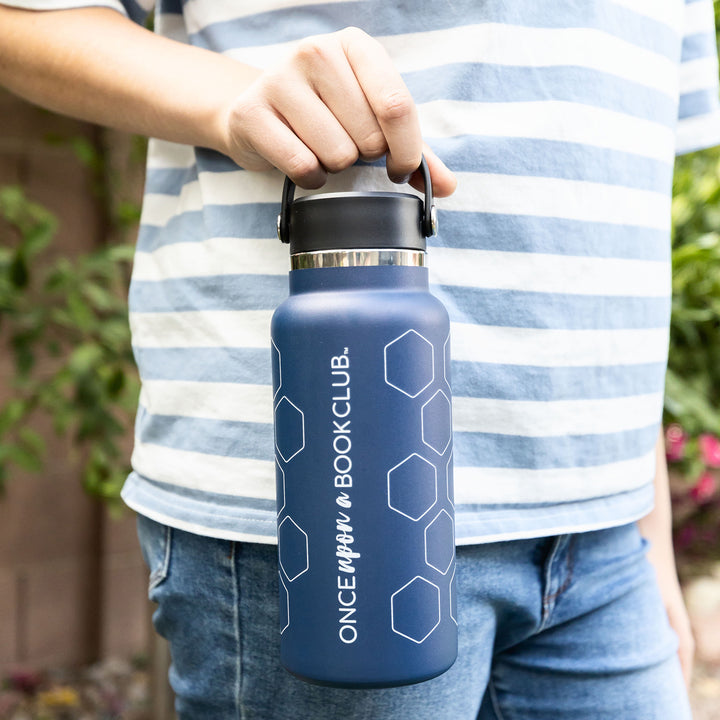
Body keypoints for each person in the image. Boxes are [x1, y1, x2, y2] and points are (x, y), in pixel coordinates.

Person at [0, 1, 717, 717]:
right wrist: (228, 99)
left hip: (606, 531)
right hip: (320, 524)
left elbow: (616, 204)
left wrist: (643, 518)